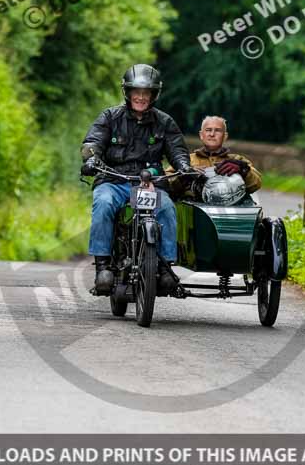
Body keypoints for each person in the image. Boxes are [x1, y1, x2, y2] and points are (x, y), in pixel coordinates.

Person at [80, 63, 192, 294]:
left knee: (168, 209)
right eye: (136, 92)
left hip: (149, 183)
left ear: (153, 95)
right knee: (103, 204)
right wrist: (91, 159)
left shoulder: (165, 122)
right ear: (128, 93)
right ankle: (103, 267)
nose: (141, 97)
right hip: (114, 180)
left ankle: (164, 267)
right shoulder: (110, 117)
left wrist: (184, 166)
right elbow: (93, 142)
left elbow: (177, 150)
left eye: (146, 93)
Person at [169, 115, 262, 200]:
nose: (212, 134)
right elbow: (165, 182)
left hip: (230, 209)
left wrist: (243, 170)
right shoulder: (185, 160)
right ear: (201, 135)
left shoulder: (237, 160)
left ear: (225, 136)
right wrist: (182, 178)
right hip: (194, 209)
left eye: (217, 130)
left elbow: (256, 184)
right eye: (208, 130)